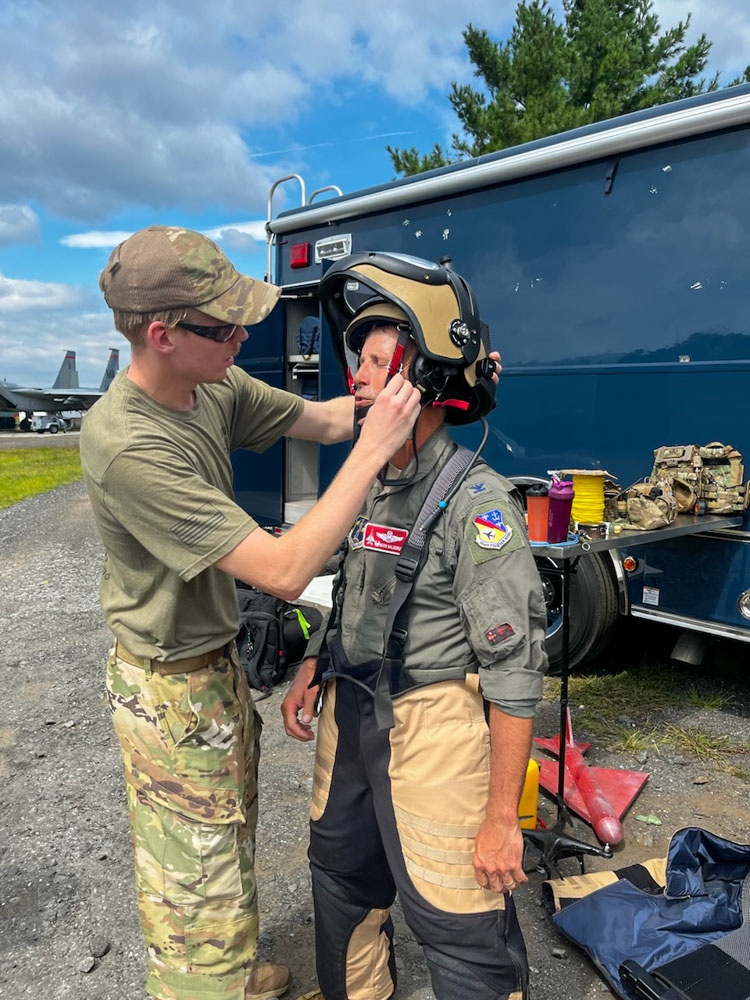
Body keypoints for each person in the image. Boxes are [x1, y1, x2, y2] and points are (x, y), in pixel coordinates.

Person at [79, 226, 423, 1000]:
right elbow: (285, 568)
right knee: (189, 881)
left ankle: (231, 972)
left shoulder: (211, 384)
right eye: (224, 325)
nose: (244, 335)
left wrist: (416, 387)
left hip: (213, 669)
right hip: (168, 688)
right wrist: (374, 455)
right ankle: (206, 980)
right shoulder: (130, 446)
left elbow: (331, 420)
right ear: (162, 335)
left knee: (226, 838)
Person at [281, 252, 549, 1000]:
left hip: (433, 727)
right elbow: (353, 588)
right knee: (340, 886)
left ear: (420, 376)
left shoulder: (478, 503)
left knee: (459, 928)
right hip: (351, 713)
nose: (356, 376)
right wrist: (312, 664)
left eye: (374, 361)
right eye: (356, 358)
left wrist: (502, 818)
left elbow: (515, 673)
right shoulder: (372, 479)